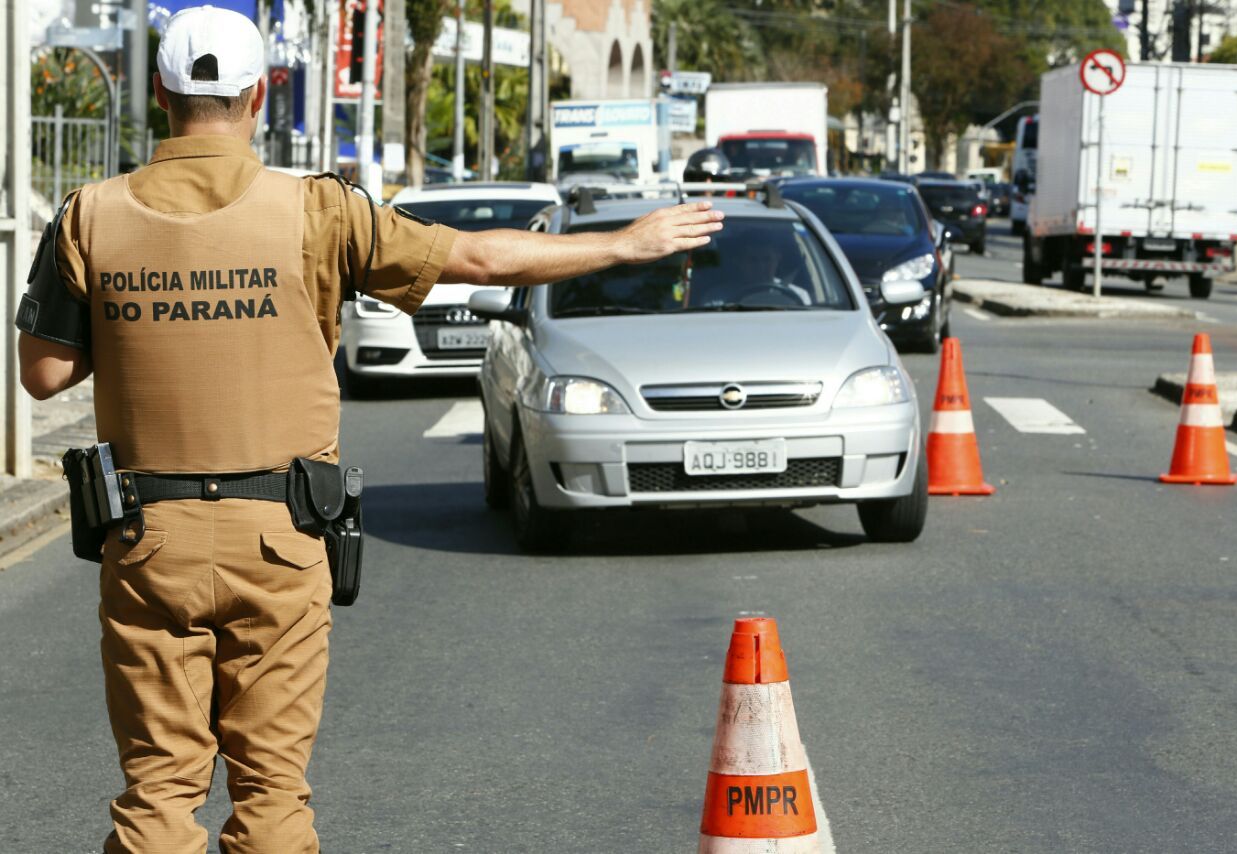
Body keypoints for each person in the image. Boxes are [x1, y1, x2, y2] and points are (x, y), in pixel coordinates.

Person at [15, 7, 721, 853]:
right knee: (272, 795)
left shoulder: (89, 216)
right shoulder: (318, 212)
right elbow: (481, 261)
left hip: (148, 538)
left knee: (158, 793)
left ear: (159, 92)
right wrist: (625, 244)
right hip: (281, 540)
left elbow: (44, 373)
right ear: (263, 93)